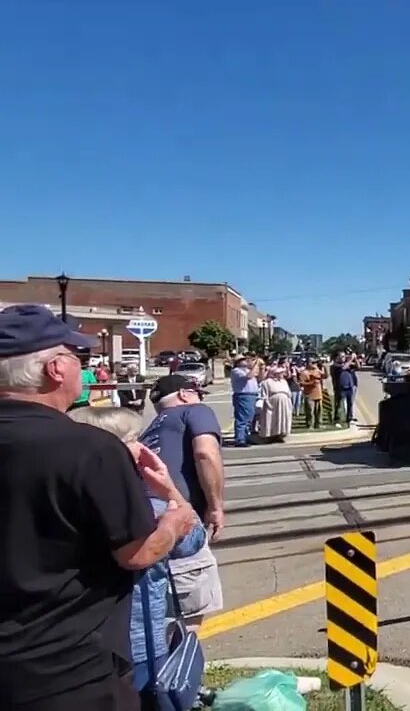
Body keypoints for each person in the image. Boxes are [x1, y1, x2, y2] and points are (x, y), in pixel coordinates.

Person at [0, 304, 196, 711]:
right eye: (78, 358)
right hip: (67, 670)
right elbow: (139, 551)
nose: (81, 369)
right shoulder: (88, 449)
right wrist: (176, 516)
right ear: (55, 368)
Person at [66, 407, 207, 696]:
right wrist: (169, 489)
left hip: (71, 643)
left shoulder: (60, 502)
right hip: (138, 644)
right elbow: (193, 537)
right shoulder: (146, 510)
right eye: (135, 439)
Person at [139, 374, 228, 627]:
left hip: (142, 515)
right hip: (176, 514)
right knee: (186, 612)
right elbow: (205, 454)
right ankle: (179, 661)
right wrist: (215, 506)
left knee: (156, 608)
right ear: (184, 394)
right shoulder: (195, 410)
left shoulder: (151, 429)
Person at [229, 356, 262, 447]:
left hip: (251, 396)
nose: (246, 361)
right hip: (243, 396)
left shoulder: (247, 370)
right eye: (243, 360)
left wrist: (260, 367)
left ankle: (245, 437)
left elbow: (260, 378)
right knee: (243, 418)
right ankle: (240, 439)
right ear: (238, 362)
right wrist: (255, 364)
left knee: (249, 418)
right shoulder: (236, 371)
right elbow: (249, 377)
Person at [259, 366, 294, 442]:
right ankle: (271, 435)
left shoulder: (284, 382)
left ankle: (281, 434)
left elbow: (288, 393)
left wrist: (289, 402)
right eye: (280, 373)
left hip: (284, 402)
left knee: (283, 418)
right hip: (273, 402)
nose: (282, 374)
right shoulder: (267, 382)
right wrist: (267, 403)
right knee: (273, 418)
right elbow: (264, 394)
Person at [300, 361, 324, 429]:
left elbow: (325, 376)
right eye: (312, 363)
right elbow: (301, 383)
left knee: (318, 410)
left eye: (315, 363)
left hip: (318, 393)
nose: (314, 364)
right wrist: (311, 383)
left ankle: (318, 424)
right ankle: (310, 424)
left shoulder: (317, 371)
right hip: (309, 394)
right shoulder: (304, 372)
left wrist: (323, 367)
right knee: (310, 411)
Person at [336, 357, 360, 425]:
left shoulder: (350, 365)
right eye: (342, 356)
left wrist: (355, 359)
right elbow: (344, 367)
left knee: (350, 403)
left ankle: (349, 417)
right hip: (342, 387)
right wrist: (351, 359)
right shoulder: (337, 365)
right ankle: (338, 418)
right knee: (340, 403)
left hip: (351, 386)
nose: (344, 358)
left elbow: (358, 366)